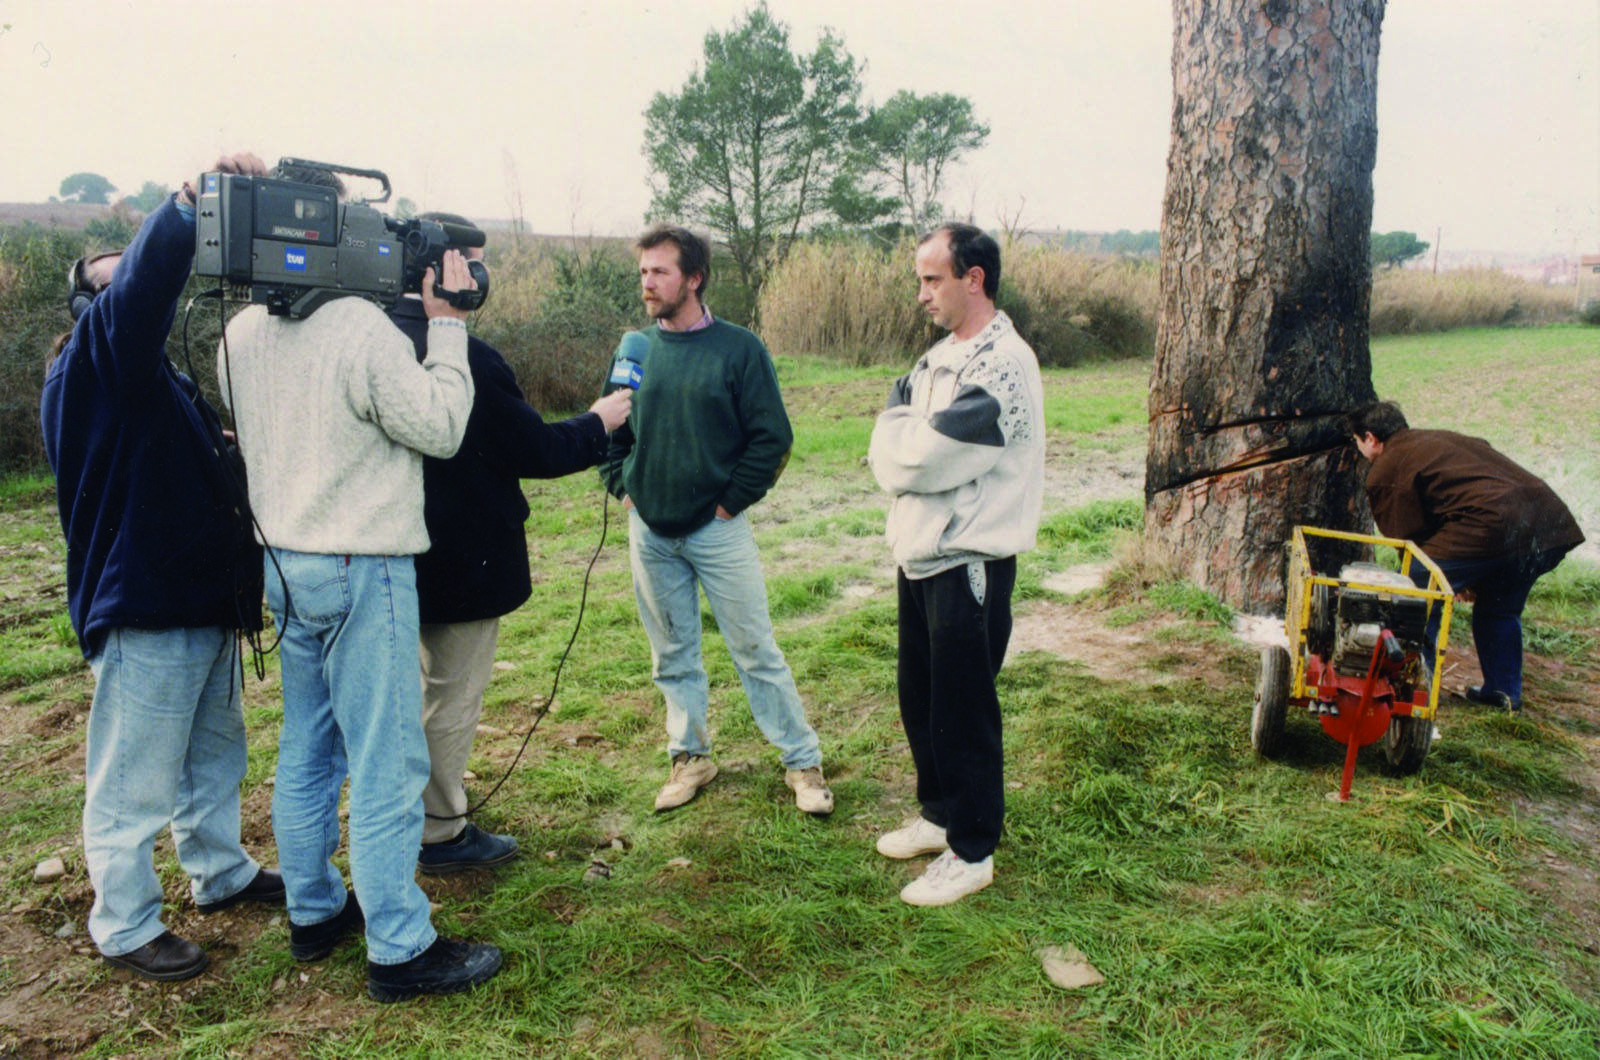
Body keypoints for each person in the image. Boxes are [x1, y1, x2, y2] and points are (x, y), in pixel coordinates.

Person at [219, 164, 498, 1003]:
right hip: (360, 565)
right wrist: (447, 327)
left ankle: (313, 911)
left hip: (285, 565)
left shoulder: (240, 331)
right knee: (386, 760)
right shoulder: (362, 330)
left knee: (307, 747)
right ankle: (400, 949)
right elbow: (441, 428)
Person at [39, 151, 284, 982]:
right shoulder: (95, 356)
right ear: (90, 301)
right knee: (133, 779)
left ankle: (220, 872)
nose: (131, 271)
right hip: (146, 605)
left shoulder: (144, 379)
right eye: (113, 270)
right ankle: (124, 923)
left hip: (199, 598)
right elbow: (142, 290)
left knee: (214, 755)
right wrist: (185, 206)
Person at [385, 213, 632, 872]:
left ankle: (402, 817)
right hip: (462, 561)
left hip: (383, 557)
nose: (482, 274)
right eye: (473, 261)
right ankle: (439, 831)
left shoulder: (371, 337)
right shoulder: (469, 357)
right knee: (449, 696)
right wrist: (598, 422)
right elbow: (536, 450)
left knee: (401, 698)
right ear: (445, 269)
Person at [600, 224, 832, 816]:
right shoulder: (635, 349)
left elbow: (772, 438)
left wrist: (729, 504)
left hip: (717, 531)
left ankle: (802, 762)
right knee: (671, 654)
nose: (647, 283)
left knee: (754, 648)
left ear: (694, 278)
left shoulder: (739, 349)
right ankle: (690, 757)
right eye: (643, 272)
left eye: (660, 272)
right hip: (650, 533)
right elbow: (611, 428)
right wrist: (624, 488)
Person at [867, 223, 1045, 907]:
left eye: (932, 279)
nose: (921, 294)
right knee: (922, 697)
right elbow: (890, 435)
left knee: (963, 710)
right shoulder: (937, 358)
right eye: (919, 279)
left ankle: (972, 851)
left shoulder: (1003, 365)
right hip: (921, 553)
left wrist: (905, 447)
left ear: (974, 279)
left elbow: (919, 458)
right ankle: (939, 815)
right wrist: (904, 445)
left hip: (968, 559)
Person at [1346, 399, 1585, 712]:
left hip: (1494, 526)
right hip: (1547, 524)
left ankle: (1413, 689)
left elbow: (1407, 540)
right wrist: (1463, 571)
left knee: (1416, 589)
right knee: (1499, 609)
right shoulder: (1444, 438)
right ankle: (1503, 694)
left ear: (1370, 437)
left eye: (1357, 441)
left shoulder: (1386, 467)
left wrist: (1448, 572)